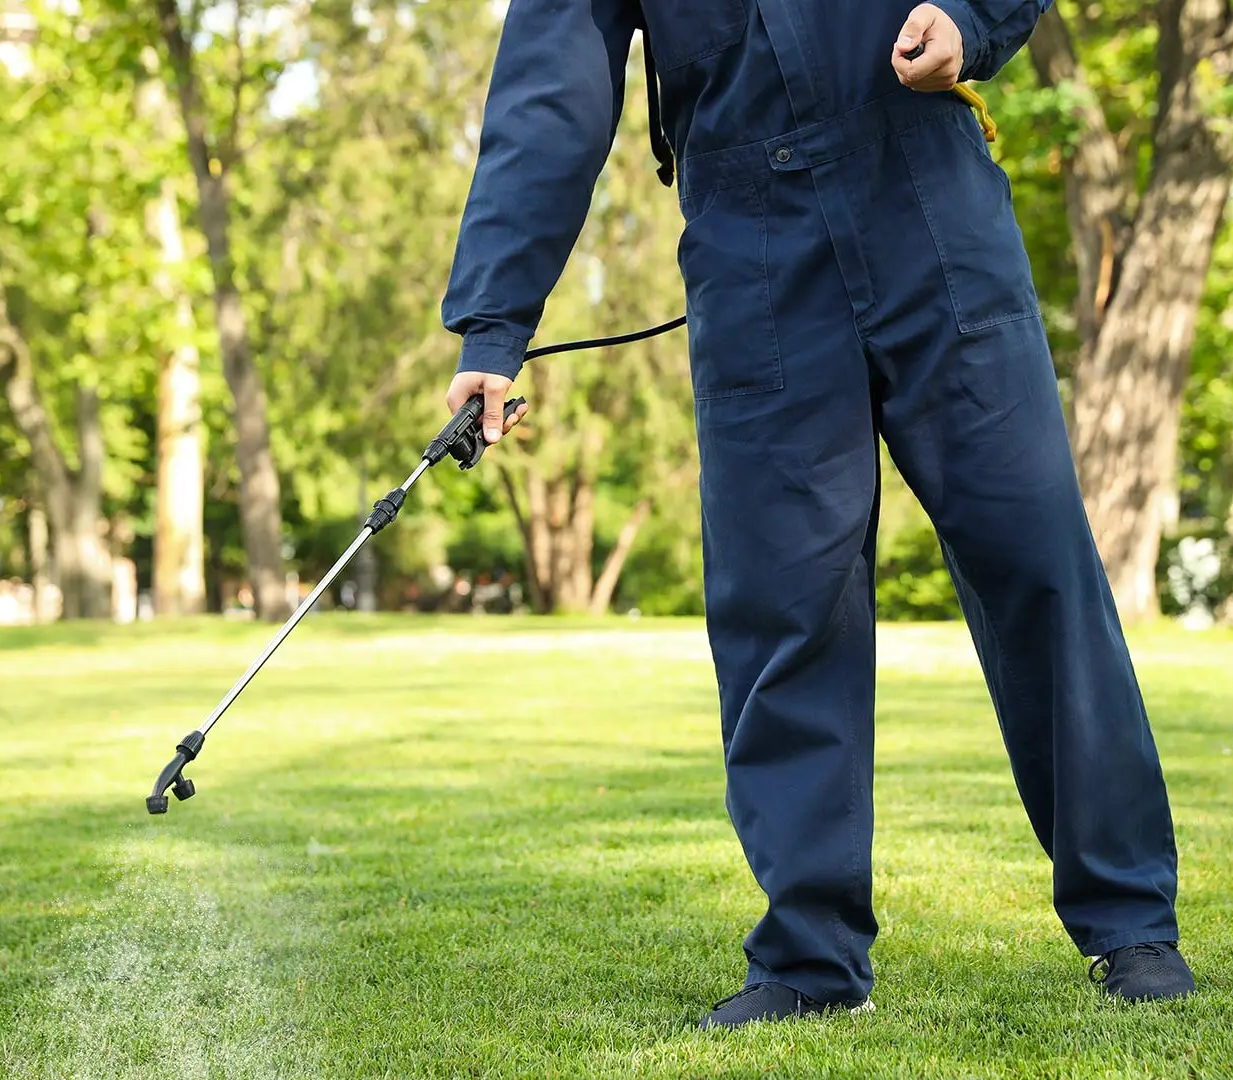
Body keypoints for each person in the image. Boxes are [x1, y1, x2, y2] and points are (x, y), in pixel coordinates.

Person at [440, 0, 1193, 1028]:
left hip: (927, 196)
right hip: (752, 248)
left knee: (1038, 569)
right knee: (785, 608)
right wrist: (494, 325)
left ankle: (1130, 925)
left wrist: (971, 21)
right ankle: (810, 959)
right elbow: (549, 96)